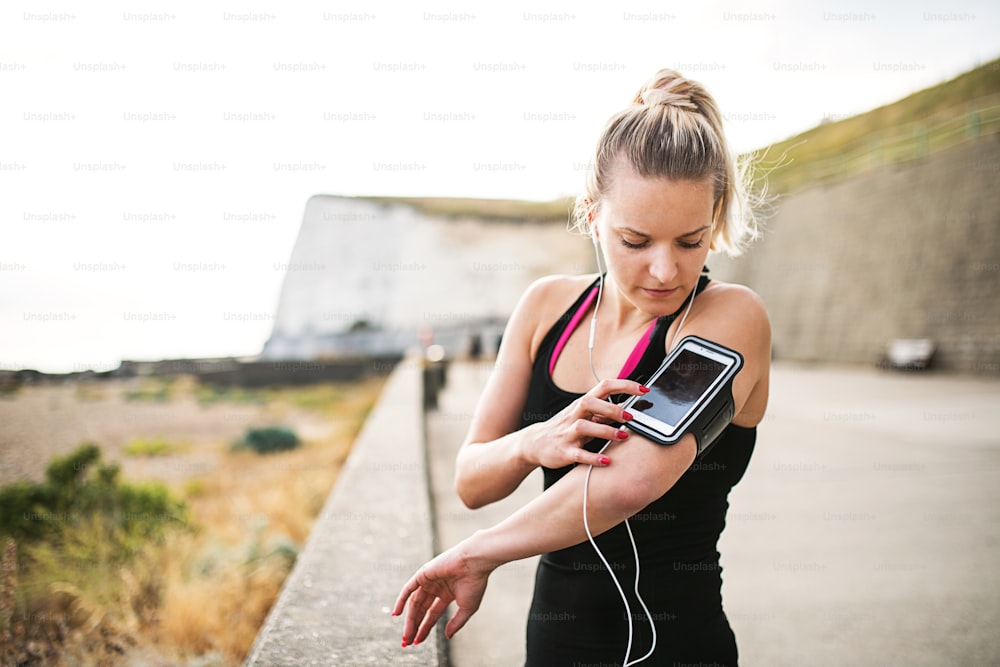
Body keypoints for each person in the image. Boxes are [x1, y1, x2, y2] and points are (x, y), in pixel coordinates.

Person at [393, 68, 771, 665]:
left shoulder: (729, 317)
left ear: (715, 221)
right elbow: (472, 480)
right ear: (593, 214)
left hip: (678, 646)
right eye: (636, 240)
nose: (667, 271)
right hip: (554, 644)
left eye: (691, 241)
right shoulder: (548, 307)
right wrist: (533, 442)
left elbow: (632, 480)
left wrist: (479, 554)